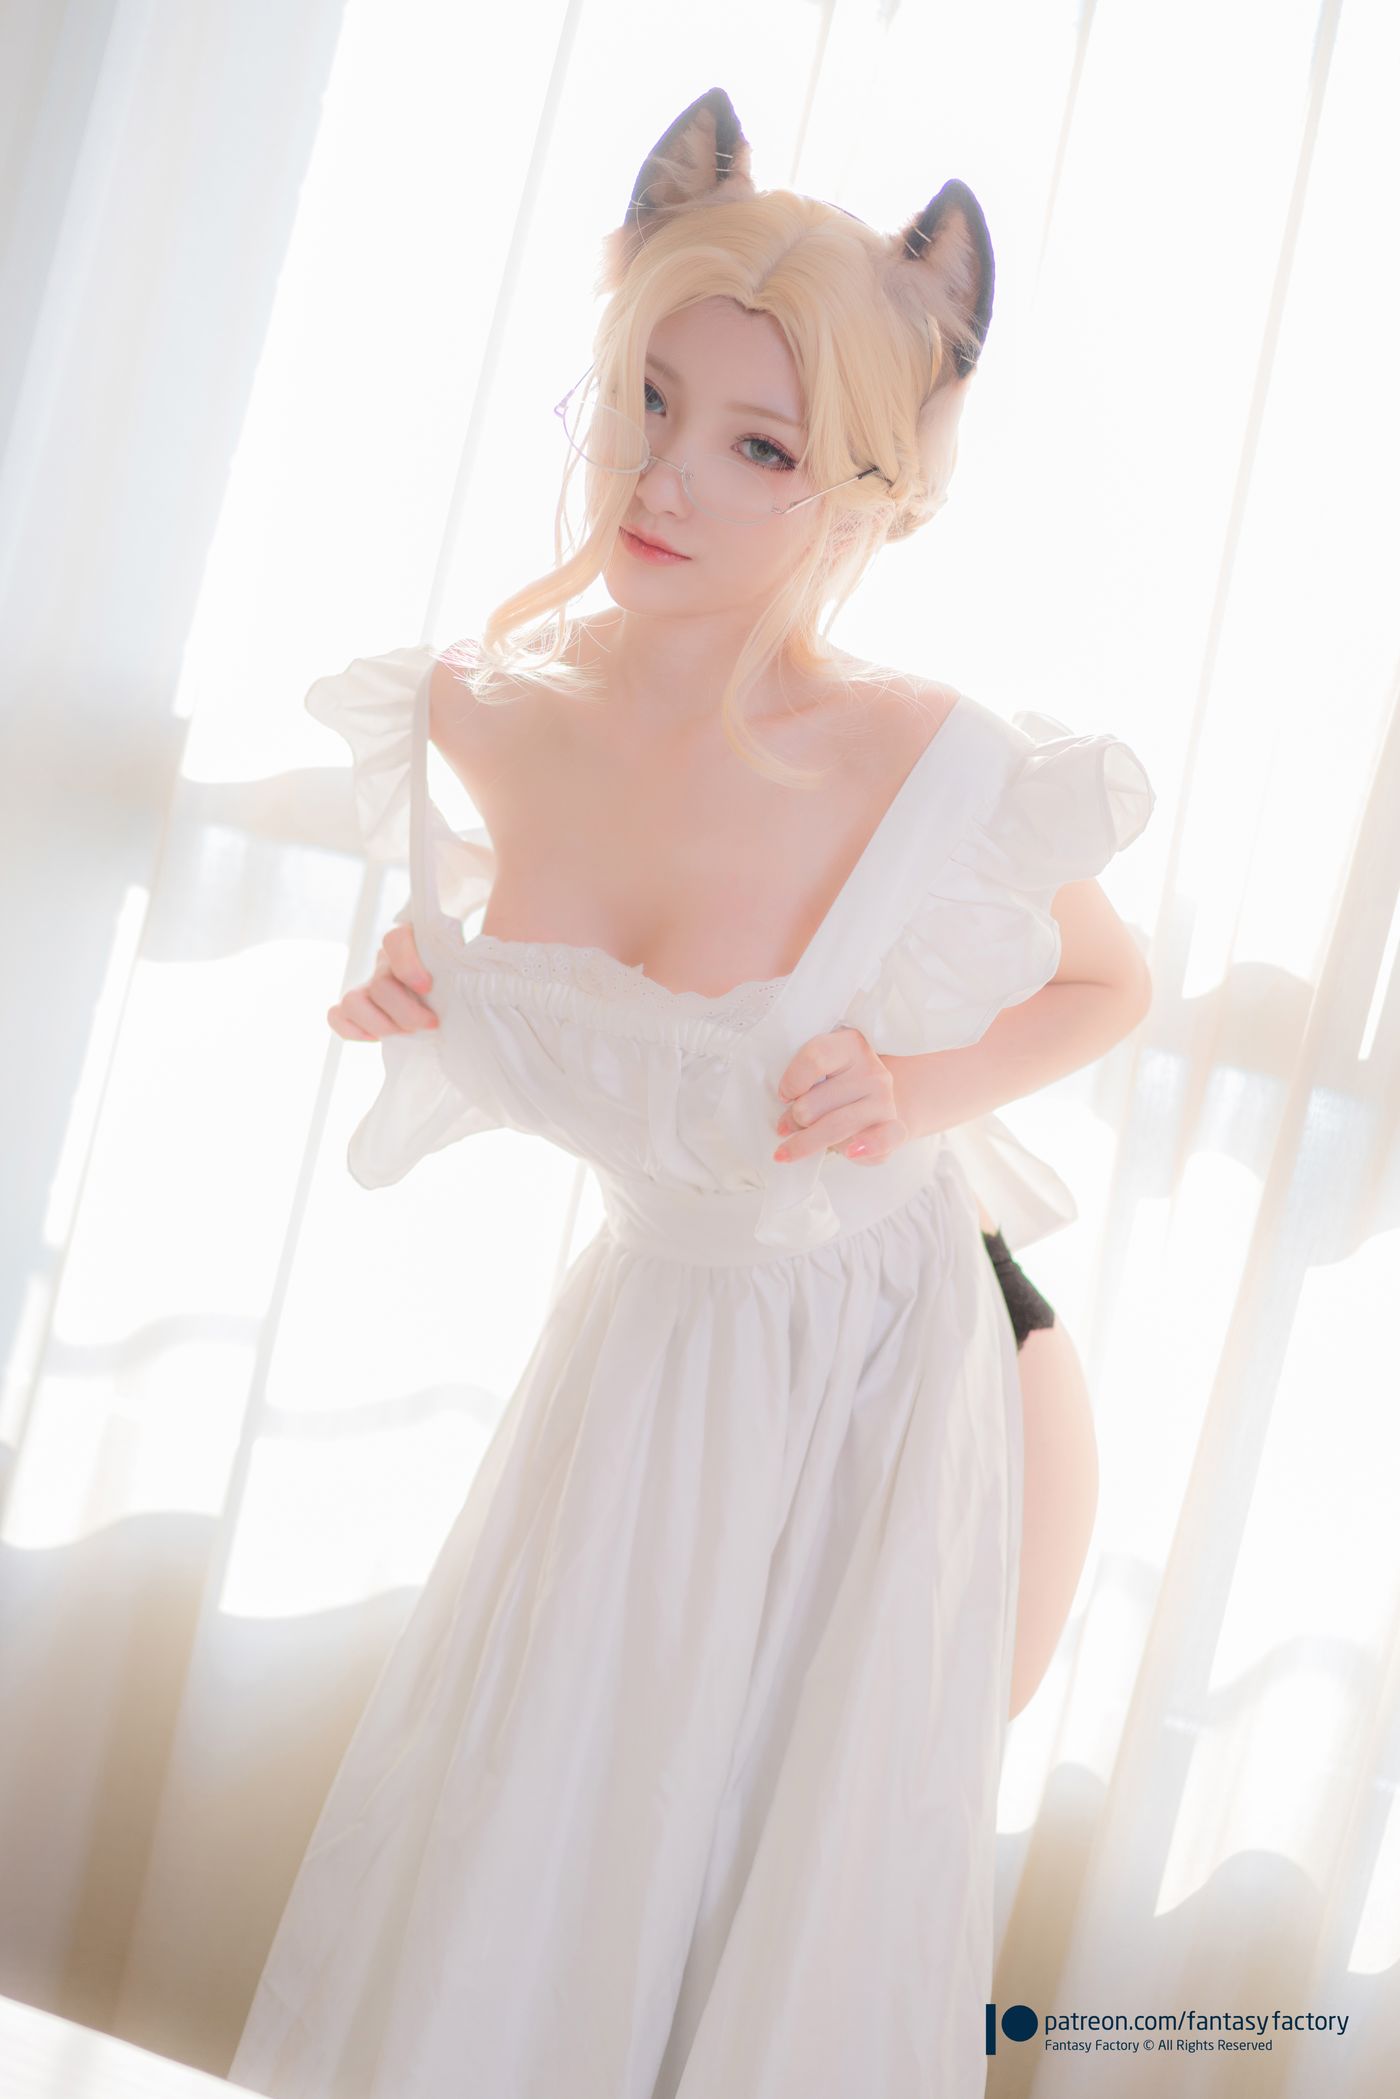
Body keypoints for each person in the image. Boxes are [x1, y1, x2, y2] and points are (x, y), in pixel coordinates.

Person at [228, 86, 1154, 2099]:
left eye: (759, 446)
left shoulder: (926, 759)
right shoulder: (495, 719)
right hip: (659, 1358)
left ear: (869, 488)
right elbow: (624, 1033)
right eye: (647, 401)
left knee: (788, 1914)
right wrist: (446, 1004)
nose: (665, 479)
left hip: (912, 1373)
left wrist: (915, 1081)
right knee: (555, 1855)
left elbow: (1112, 982)